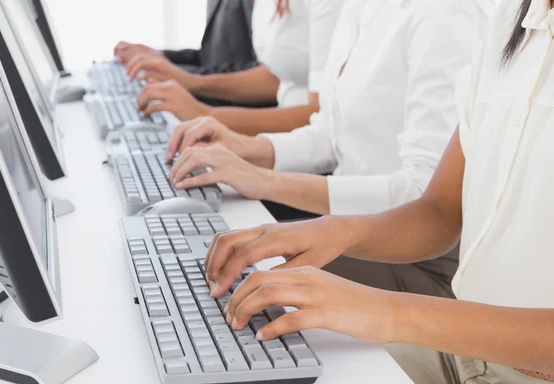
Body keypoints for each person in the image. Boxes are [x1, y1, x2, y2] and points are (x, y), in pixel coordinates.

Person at [201, 0, 554, 384]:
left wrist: (382, 311)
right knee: (251, 362)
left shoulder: (448, 15)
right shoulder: (514, 18)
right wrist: (333, 231)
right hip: (463, 354)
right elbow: (438, 211)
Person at [160, 0, 491, 298]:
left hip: (417, 260)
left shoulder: (447, 14)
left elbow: (422, 196)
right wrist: (246, 148)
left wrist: (264, 180)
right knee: (203, 257)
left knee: (226, 277)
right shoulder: (360, 7)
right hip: (347, 230)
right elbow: (330, 132)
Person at [128, 0, 344, 135]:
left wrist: (204, 112)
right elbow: (277, 73)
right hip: (285, 140)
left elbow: (322, 116)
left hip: (309, 148)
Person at [114, 0, 265, 107]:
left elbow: (265, 75)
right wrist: (163, 57)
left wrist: (185, 78)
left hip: (238, 118)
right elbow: (212, 58)